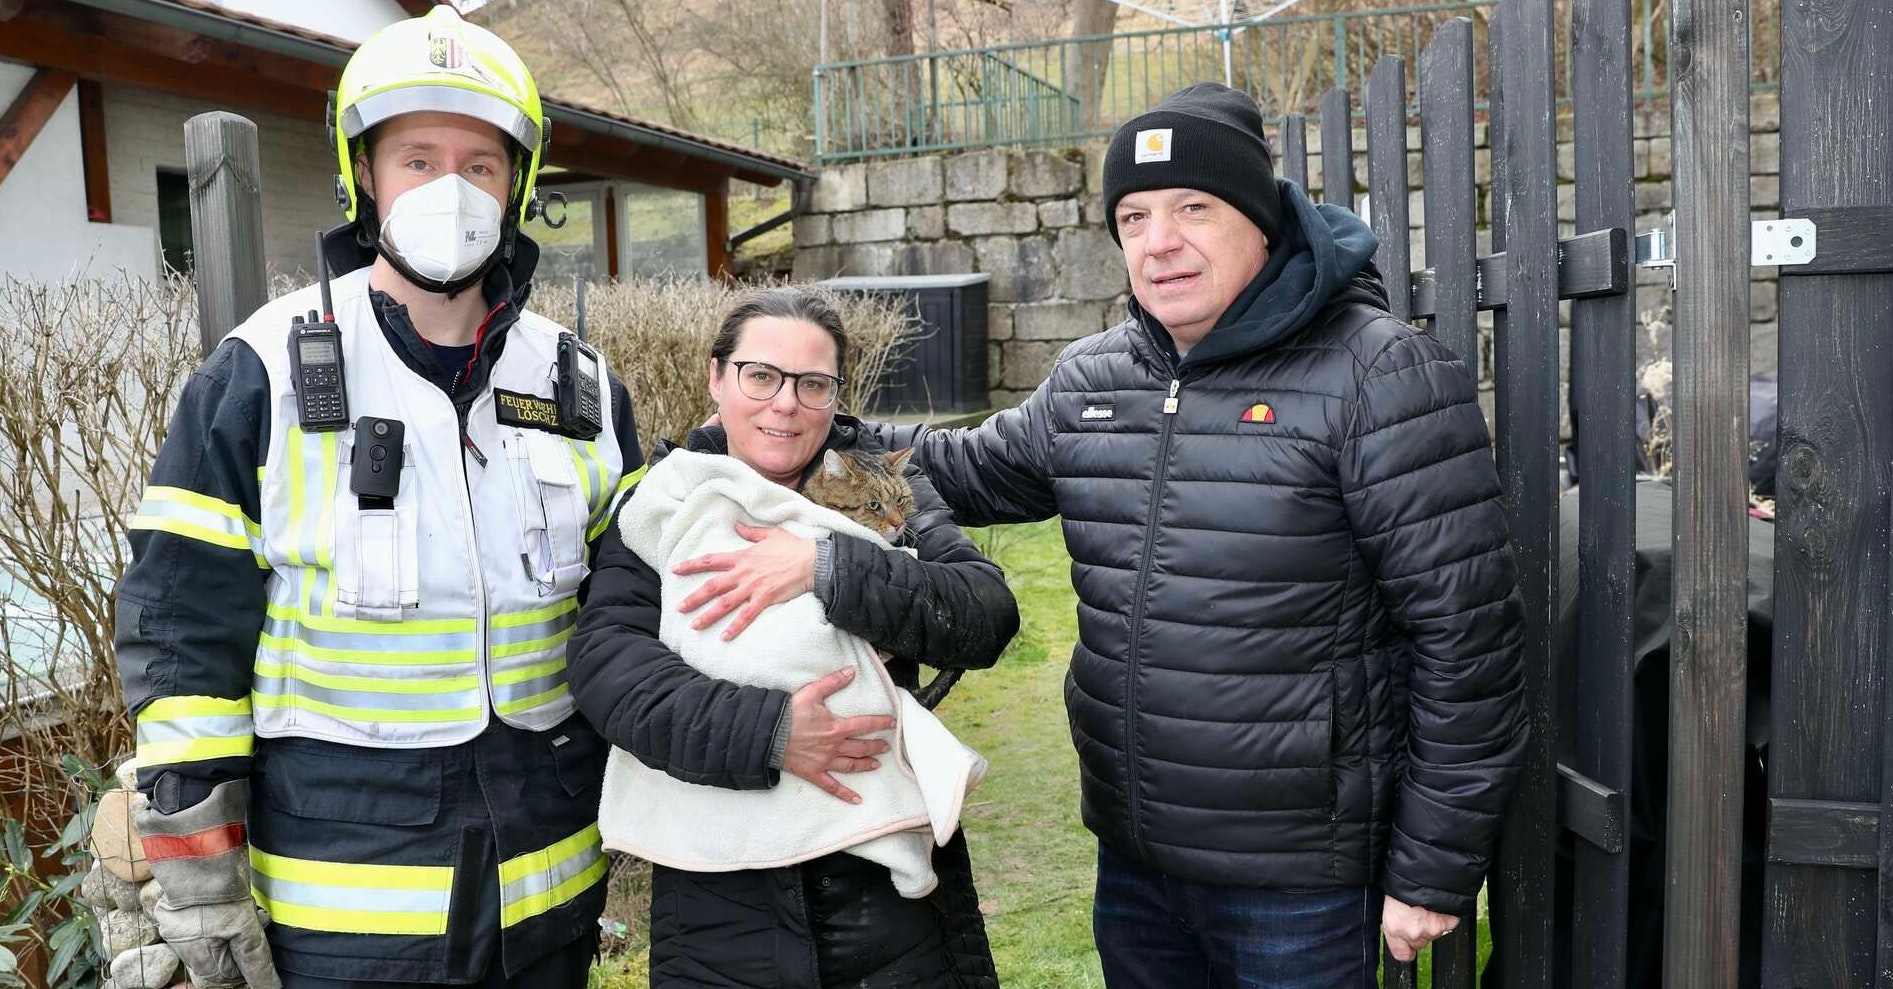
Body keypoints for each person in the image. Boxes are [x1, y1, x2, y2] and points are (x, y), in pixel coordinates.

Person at [833, 82, 1519, 985]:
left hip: (1301, 880)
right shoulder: (1092, 377)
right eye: (1133, 216)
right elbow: (962, 468)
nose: (1158, 242)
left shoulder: (1378, 372)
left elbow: (1468, 641)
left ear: (1260, 221)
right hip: (1135, 859)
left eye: (1192, 207)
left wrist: (1430, 868)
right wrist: (800, 430)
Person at [114, 7, 641, 987]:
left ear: (518, 184)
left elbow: (632, 612)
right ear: (364, 172)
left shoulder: (581, 388)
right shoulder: (261, 372)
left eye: (479, 165)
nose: (451, 190)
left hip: (549, 900)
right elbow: (184, 627)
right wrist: (196, 856)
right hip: (342, 916)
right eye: (418, 160)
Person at [566, 287, 1019, 989]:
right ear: (716, 377)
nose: (785, 404)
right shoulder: (666, 500)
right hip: (720, 909)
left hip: (888, 913)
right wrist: (771, 730)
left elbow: (983, 612)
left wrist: (825, 565)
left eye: (812, 384)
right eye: (761, 376)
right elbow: (609, 671)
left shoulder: (878, 477)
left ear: (835, 396)